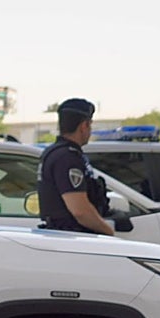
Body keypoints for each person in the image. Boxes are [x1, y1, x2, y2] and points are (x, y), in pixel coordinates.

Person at [36, 98, 114, 235]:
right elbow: (80, 211)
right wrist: (109, 233)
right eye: (90, 125)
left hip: (65, 236)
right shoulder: (67, 158)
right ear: (84, 126)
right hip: (72, 238)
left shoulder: (56, 153)